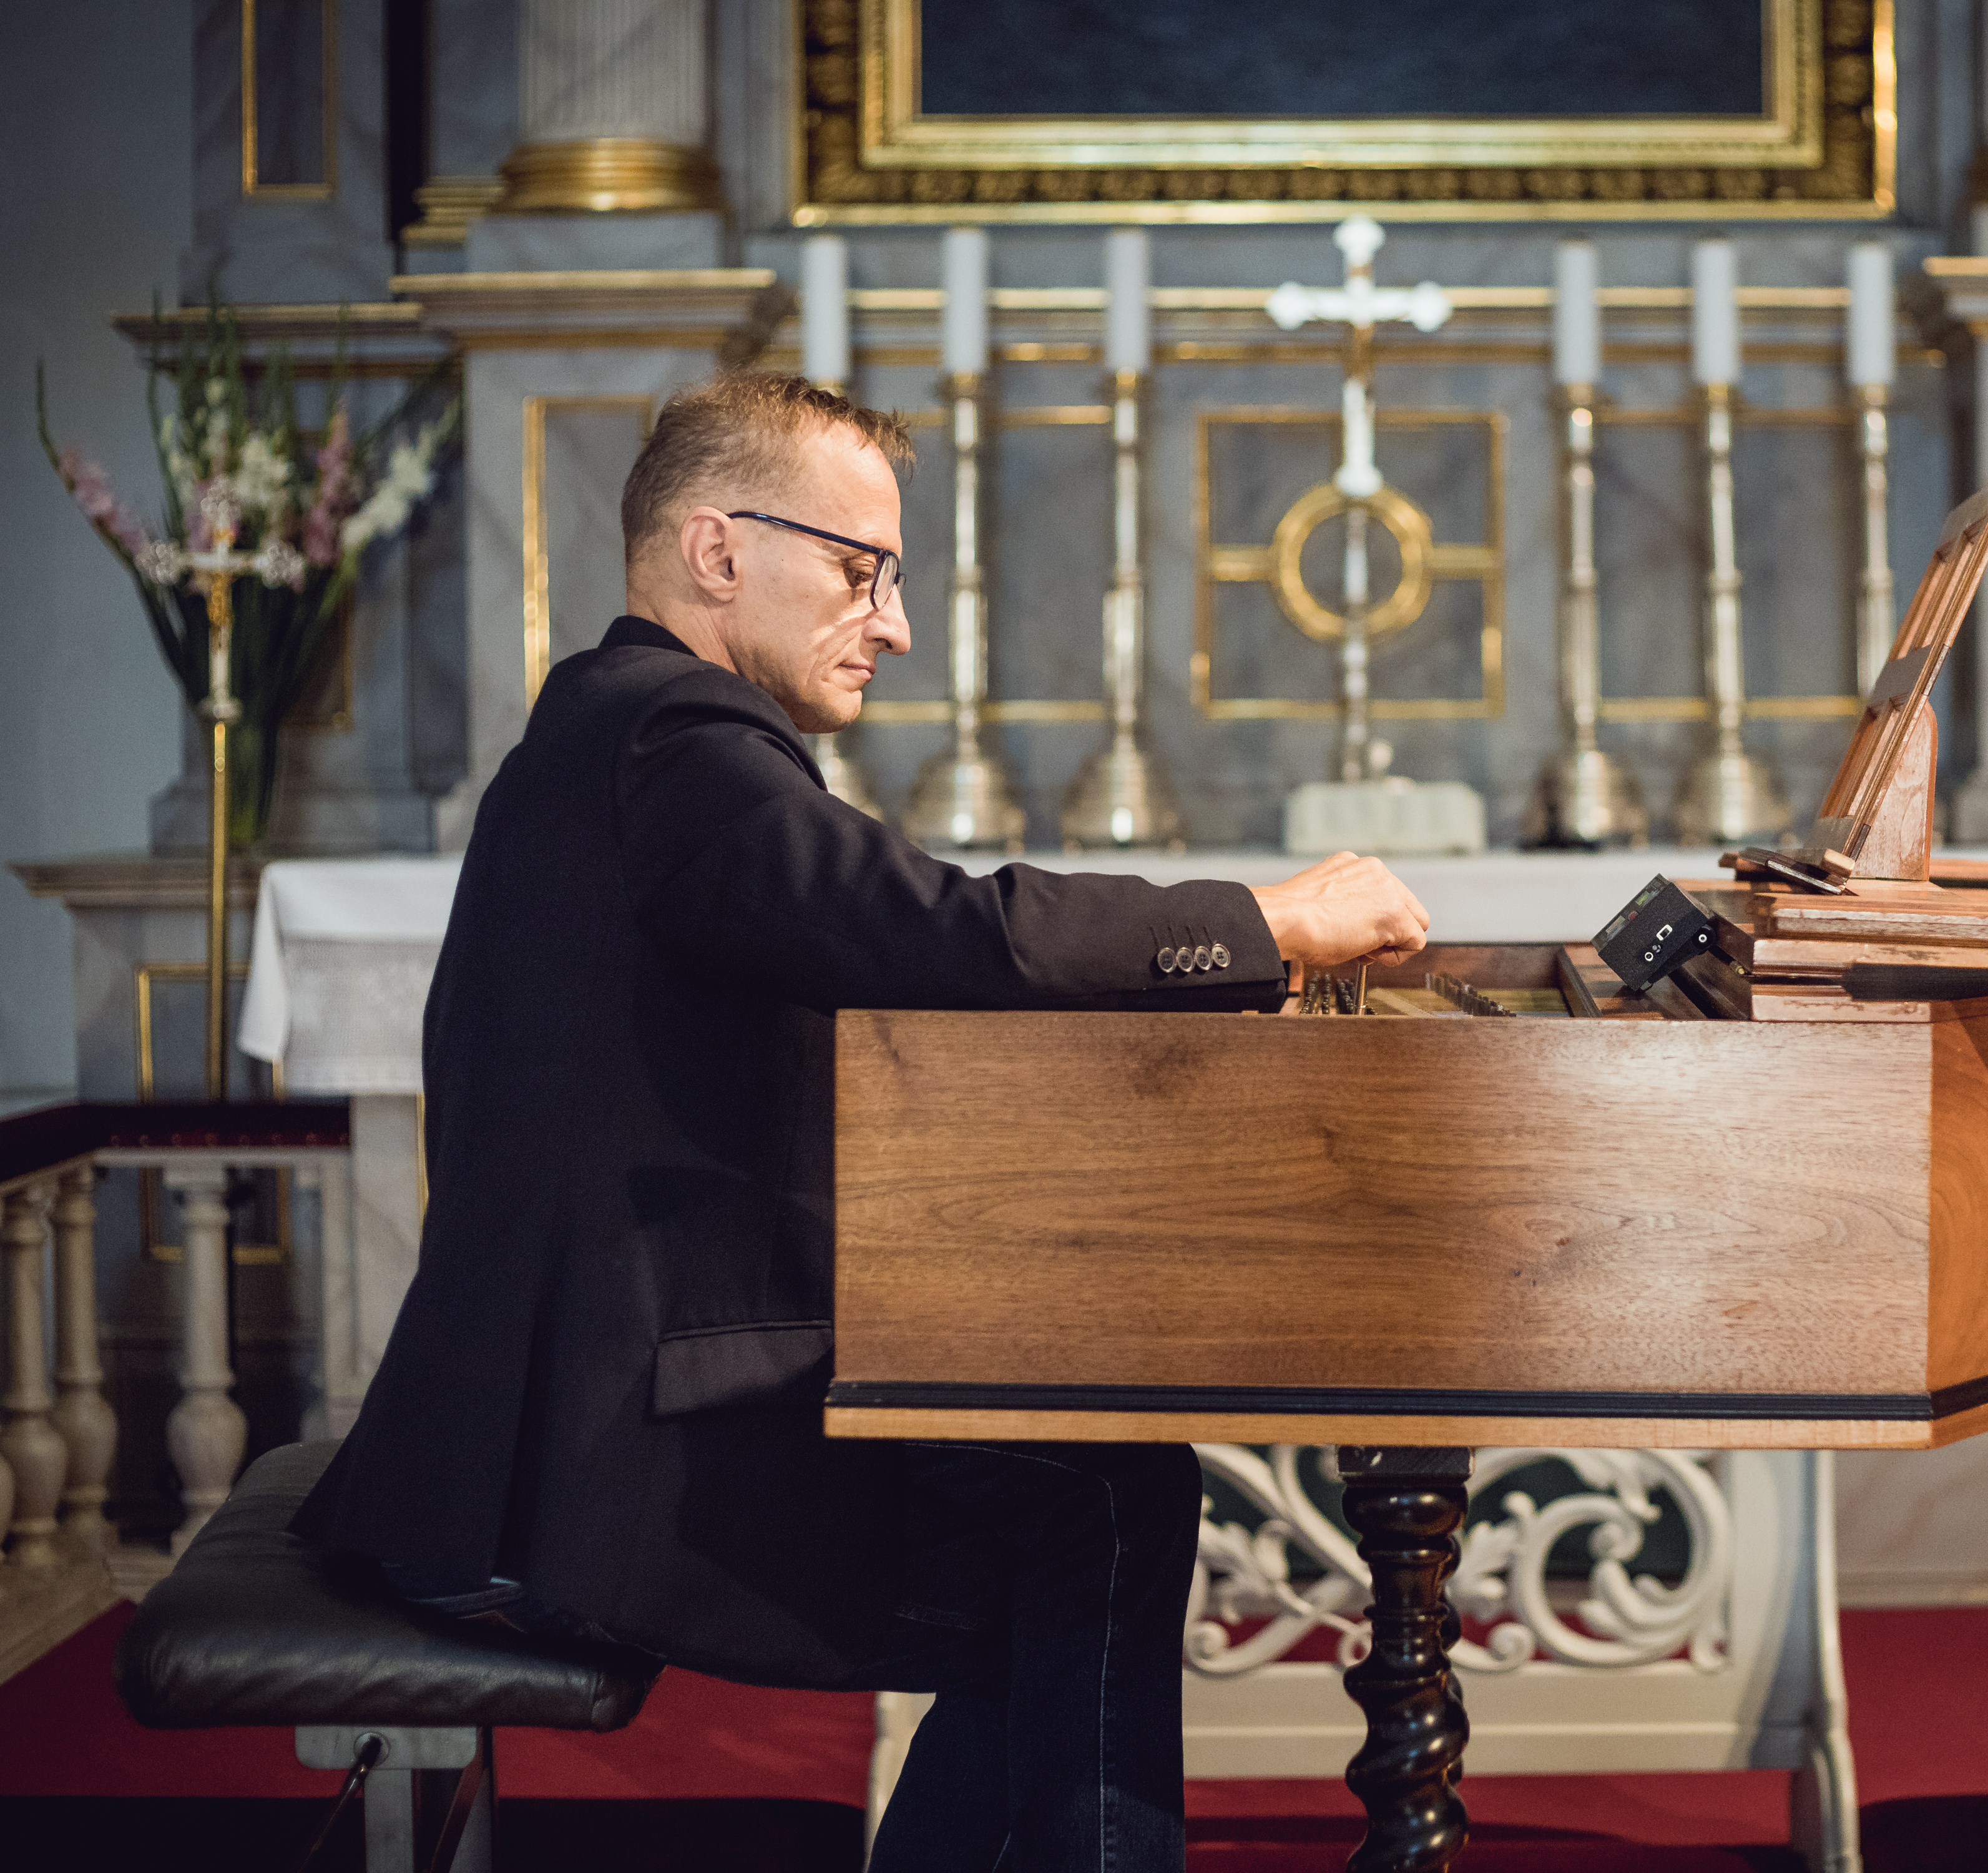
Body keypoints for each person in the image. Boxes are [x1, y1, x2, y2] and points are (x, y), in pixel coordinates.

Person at [293, 371, 1429, 1869]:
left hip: (591, 1412)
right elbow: (942, 932)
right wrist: (1267, 921)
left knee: (1094, 1499)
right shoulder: (675, 741)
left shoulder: (629, 731)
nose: (892, 622)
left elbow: (891, 981)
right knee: (1101, 1499)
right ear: (718, 554)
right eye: (858, 569)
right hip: (589, 1462)